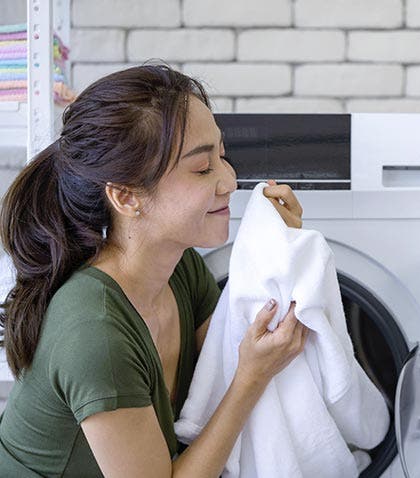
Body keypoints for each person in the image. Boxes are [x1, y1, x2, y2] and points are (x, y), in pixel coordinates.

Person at [0, 64, 309, 477]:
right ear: (126, 196)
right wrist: (252, 378)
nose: (230, 180)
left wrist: (280, 251)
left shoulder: (182, 270)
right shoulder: (96, 333)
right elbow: (243, 372)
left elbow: (234, 349)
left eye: (222, 155)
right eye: (202, 168)